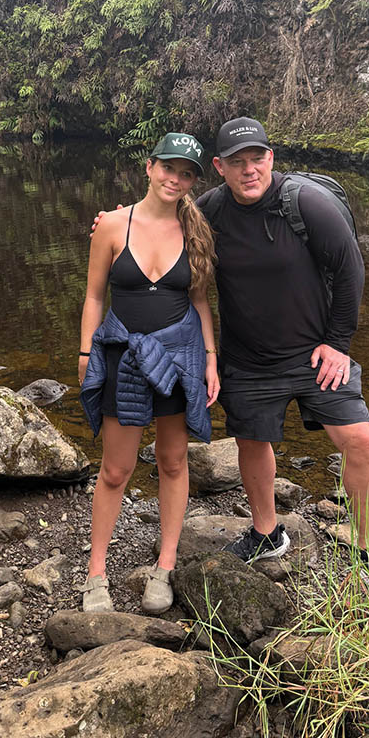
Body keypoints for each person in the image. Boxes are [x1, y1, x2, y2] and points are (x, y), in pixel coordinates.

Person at [195, 117, 369, 584]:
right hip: (248, 358)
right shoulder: (208, 212)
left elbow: (350, 270)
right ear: (219, 167)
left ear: (271, 158)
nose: (249, 170)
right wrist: (119, 222)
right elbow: (161, 233)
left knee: (360, 440)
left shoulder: (305, 204)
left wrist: (338, 345)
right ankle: (266, 534)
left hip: (314, 354)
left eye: (256, 158)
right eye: (237, 162)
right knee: (251, 441)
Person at [79, 133, 220, 615]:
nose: (174, 179)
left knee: (173, 461)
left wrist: (210, 358)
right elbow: (94, 295)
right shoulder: (112, 225)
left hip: (179, 360)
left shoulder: (195, 231)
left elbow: (199, 301)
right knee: (115, 469)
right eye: (168, 168)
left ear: (194, 181)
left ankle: (165, 565)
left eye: (186, 174)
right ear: (149, 167)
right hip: (123, 357)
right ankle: (96, 573)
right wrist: (86, 353)